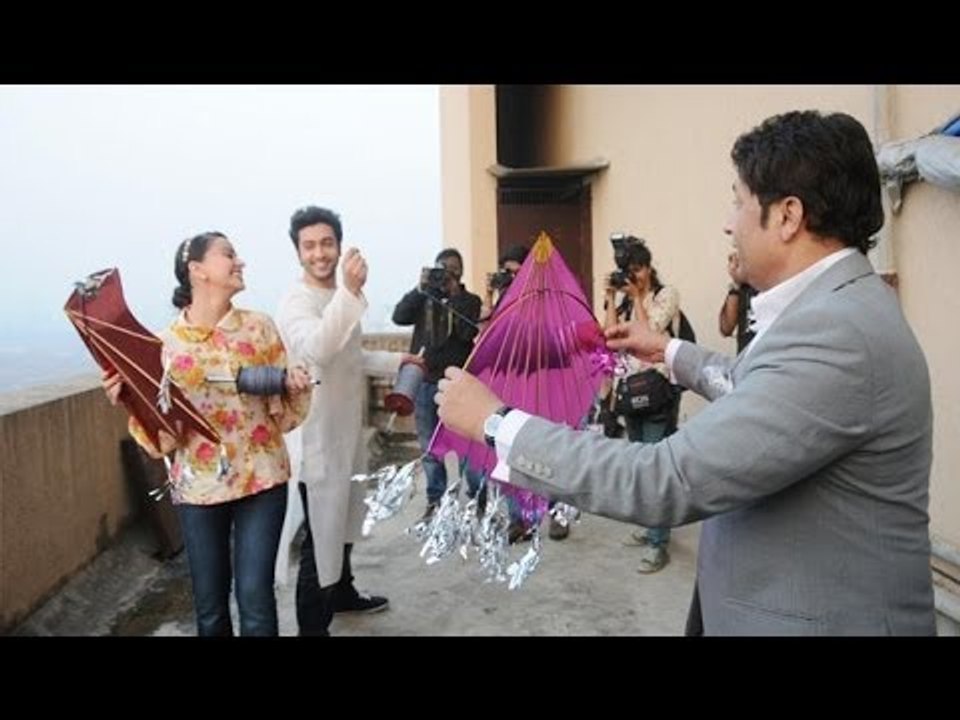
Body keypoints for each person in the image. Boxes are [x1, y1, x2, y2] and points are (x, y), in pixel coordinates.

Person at [435, 110, 936, 635]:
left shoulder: (838, 333)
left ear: (787, 216)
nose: (729, 221)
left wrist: (496, 422)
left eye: (739, 200)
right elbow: (757, 386)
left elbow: (665, 479)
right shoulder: (834, 311)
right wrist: (671, 351)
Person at [103, 231, 313, 636]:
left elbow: (285, 419)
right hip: (198, 489)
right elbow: (160, 442)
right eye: (229, 255)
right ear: (197, 270)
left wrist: (294, 386)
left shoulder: (260, 329)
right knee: (210, 606)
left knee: (255, 599)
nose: (240, 262)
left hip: (262, 480)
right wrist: (130, 402)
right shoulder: (162, 348)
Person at [276, 206, 423, 637]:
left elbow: (350, 357)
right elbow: (318, 350)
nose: (320, 253)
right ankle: (312, 627)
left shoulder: (337, 297)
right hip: (315, 439)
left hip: (346, 431)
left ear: (339, 245)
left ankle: (342, 593)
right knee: (319, 535)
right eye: (310, 246)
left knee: (344, 521)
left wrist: (400, 360)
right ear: (298, 252)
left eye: (327, 243)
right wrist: (350, 291)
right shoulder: (296, 302)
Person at [603, 237, 680, 571]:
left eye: (637, 270)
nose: (632, 276)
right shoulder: (622, 302)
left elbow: (649, 332)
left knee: (656, 469)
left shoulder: (666, 295)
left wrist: (636, 298)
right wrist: (609, 298)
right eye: (628, 271)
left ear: (648, 268)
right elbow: (608, 337)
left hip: (656, 389)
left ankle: (659, 542)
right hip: (628, 390)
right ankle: (650, 527)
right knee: (639, 466)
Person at [392, 248, 482, 520]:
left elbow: (468, 331)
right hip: (426, 382)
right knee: (431, 448)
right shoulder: (425, 298)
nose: (446, 273)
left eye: (452, 269)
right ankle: (436, 501)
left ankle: (477, 499)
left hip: (457, 384)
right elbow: (399, 316)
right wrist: (420, 289)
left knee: (467, 447)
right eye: (441, 268)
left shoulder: (469, 301)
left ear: (460, 272)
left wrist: (453, 295)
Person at [719, 249, 758, 352]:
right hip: (744, 359)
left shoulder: (772, 280)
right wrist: (735, 284)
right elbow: (726, 328)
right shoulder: (743, 284)